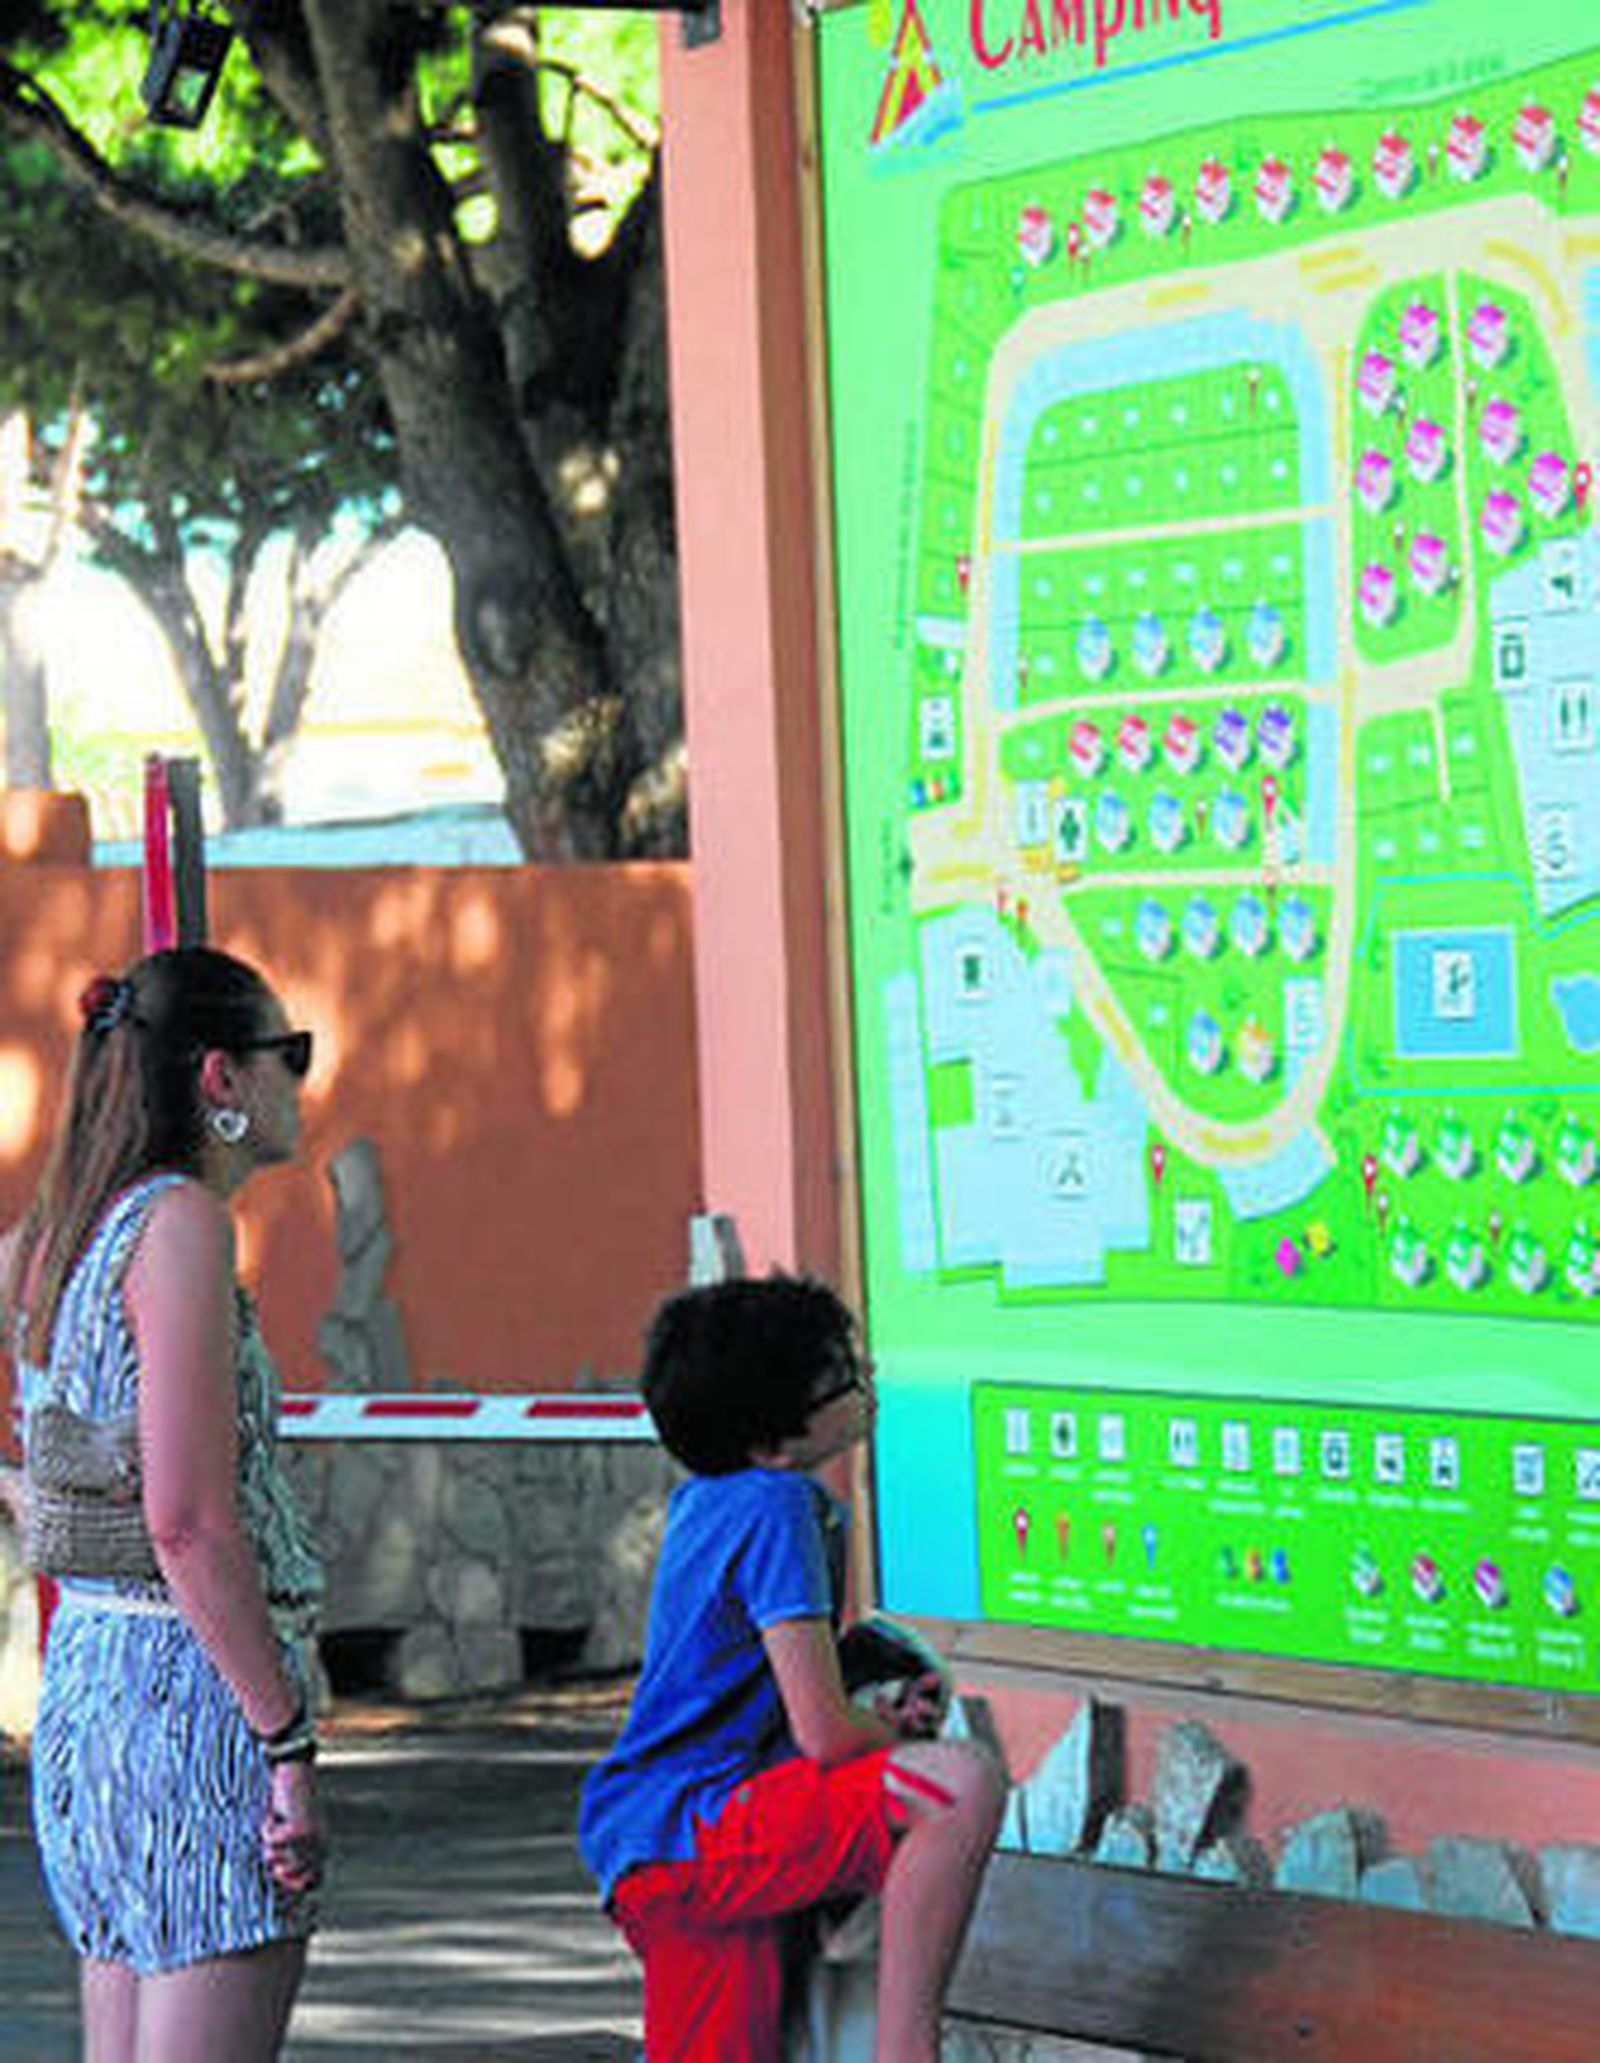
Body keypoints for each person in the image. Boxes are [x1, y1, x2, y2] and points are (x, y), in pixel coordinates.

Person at [0, 947, 326, 2063]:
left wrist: (34, 1493)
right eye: (291, 1053)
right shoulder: (179, 1224)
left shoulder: (61, 1233)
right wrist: (284, 1734)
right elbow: (188, 1523)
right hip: (186, 1701)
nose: (301, 1081)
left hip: (90, 1689)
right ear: (221, 1077)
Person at [578, 1274, 1005, 2063]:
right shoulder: (775, 1505)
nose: (864, 1374)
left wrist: (871, 1713)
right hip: (698, 1830)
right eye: (837, 1372)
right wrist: (890, 1729)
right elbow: (826, 1736)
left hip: (657, 1842)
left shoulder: (711, 1501)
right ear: (773, 1439)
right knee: (957, 1786)